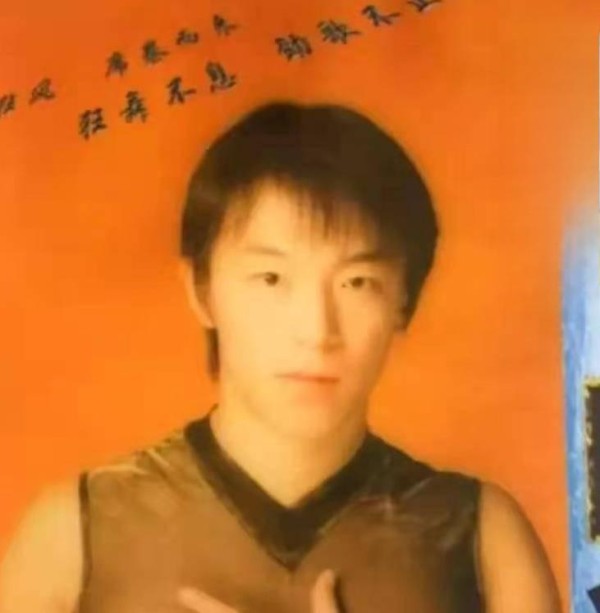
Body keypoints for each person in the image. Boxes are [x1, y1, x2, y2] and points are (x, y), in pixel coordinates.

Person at [0, 101, 561, 613]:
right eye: (271, 278)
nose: (316, 332)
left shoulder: (482, 538)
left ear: (403, 301)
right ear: (201, 291)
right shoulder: (74, 535)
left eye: (357, 282)